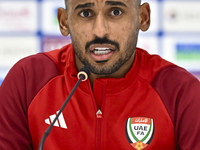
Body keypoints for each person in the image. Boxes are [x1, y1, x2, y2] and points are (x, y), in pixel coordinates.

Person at [0, 0, 200, 149]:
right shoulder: (27, 81)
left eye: (115, 11)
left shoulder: (180, 92)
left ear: (143, 17)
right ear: (64, 22)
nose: (100, 31)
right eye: (86, 13)